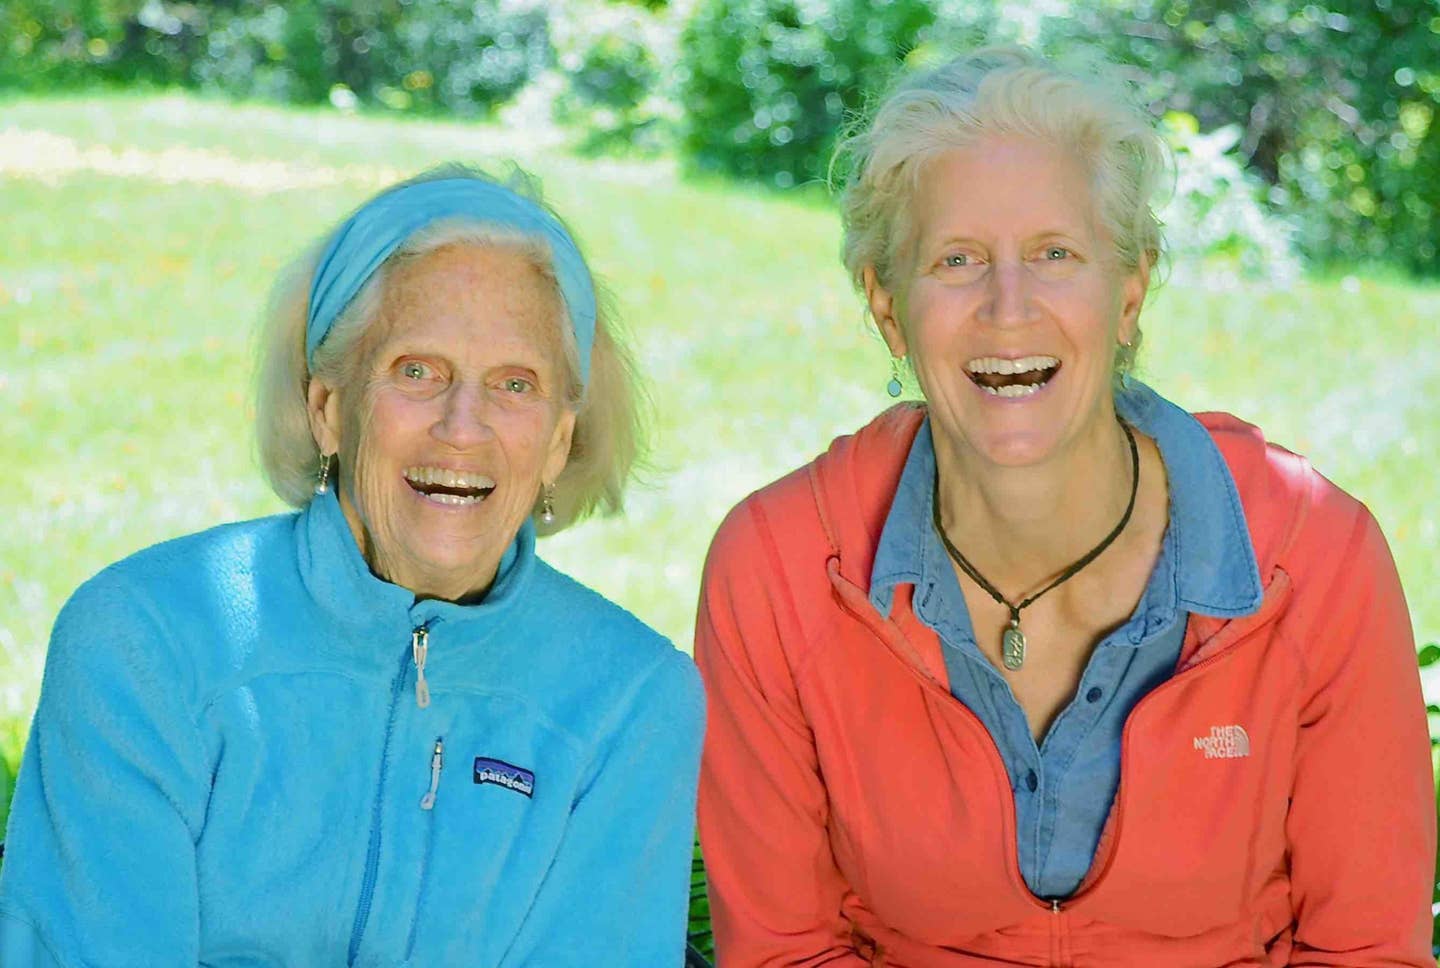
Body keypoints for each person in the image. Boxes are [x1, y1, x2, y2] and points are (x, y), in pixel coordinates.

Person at [695, 47, 1434, 966]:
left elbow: (1365, 950)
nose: (1010, 309)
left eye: (1056, 254)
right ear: (888, 308)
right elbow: (785, 952)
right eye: (957, 259)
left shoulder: (1313, 555)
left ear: (1128, 292)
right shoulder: (777, 567)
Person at [0, 164, 705, 965]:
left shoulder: (632, 701)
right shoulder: (145, 639)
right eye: (417, 371)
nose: (463, 427)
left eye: (515, 383)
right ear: (327, 408)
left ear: (558, 442)